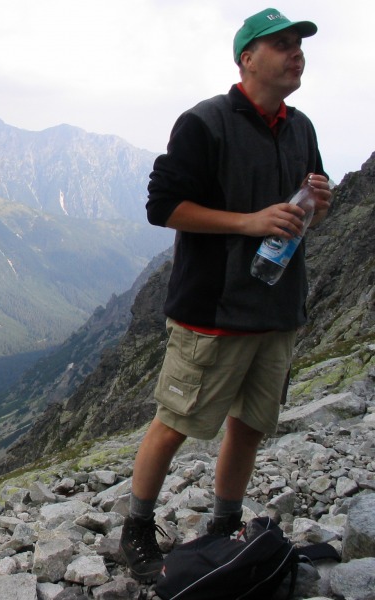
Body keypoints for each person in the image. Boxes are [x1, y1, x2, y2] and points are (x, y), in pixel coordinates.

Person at [119, 8, 333, 584]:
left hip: (277, 310)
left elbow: (305, 209)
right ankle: (136, 529)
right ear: (247, 58)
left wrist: (318, 204)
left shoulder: (301, 128)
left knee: (251, 424)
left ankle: (225, 524)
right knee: (175, 420)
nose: (296, 53)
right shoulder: (205, 122)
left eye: (299, 44)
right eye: (281, 44)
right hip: (212, 311)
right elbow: (163, 207)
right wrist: (249, 222)